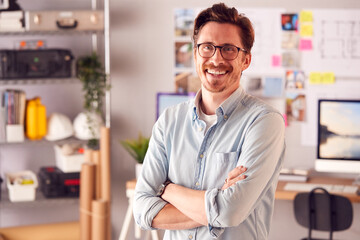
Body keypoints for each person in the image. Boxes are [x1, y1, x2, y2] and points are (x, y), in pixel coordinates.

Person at [134, 3, 285, 240]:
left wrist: (167, 189)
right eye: (207, 48)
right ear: (195, 54)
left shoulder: (264, 122)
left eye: (228, 49)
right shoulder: (170, 121)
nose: (216, 59)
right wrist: (218, 203)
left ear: (246, 60)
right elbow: (142, 210)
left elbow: (231, 211)